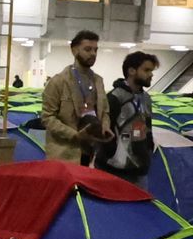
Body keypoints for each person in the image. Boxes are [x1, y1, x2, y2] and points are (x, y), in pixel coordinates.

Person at [41, 30, 113, 165]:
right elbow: (47, 118)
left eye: (95, 50)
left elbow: (105, 112)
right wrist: (74, 135)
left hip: (90, 154)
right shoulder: (58, 82)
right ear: (74, 50)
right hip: (64, 156)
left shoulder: (99, 81)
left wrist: (105, 126)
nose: (93, 54)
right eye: (88, 49)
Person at [98, 51, 158, 184]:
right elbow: (103, 133)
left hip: (140, 169)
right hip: (113, 170)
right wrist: (111, 155)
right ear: (131, 71)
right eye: (147, 70)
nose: (151, 74)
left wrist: (147, 152)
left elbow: (148, 130)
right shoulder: (115, 98)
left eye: (151, 70)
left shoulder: (146, 98)